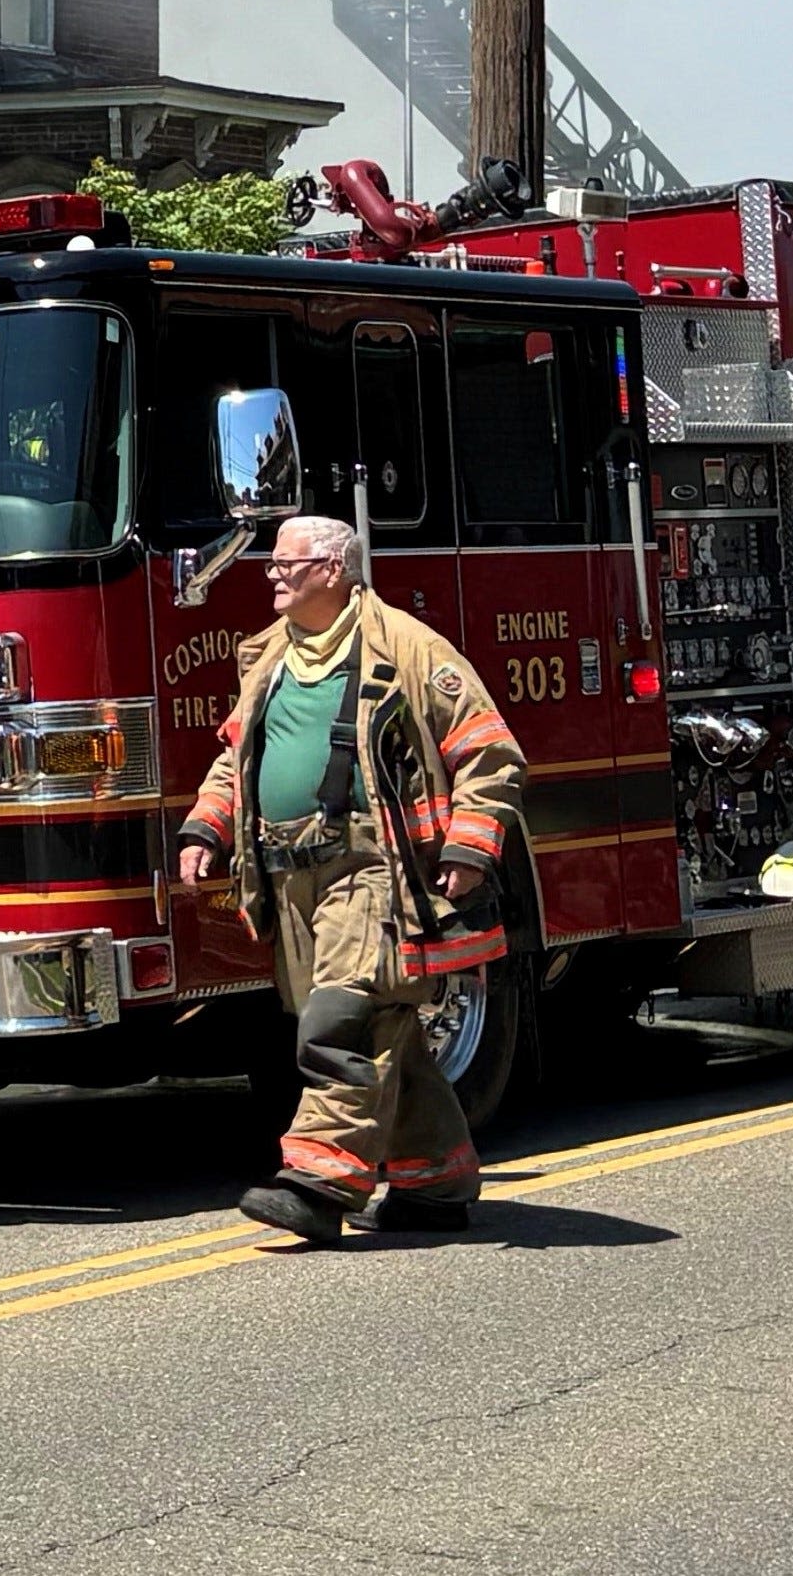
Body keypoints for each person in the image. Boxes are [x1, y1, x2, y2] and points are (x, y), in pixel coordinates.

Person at [172, 515, 527, 1242]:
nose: (270, 573)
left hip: (374, 872)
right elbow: (236, 759)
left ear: (333, 569)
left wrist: (468, 847)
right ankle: (436, 1182)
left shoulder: (408, 648)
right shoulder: (268, 657)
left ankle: (319, 1182)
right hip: (289, 877)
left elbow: (490, 753)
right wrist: (205, 827)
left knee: (344, 1023)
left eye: (286, 563)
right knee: (384, 1021)